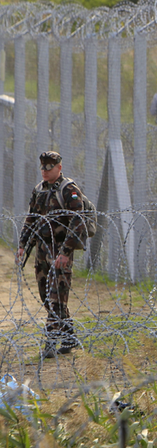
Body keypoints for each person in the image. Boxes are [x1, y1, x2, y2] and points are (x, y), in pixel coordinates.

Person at [16, 151, 87, 359]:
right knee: (46, 295)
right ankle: (69, 336)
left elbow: (77, 221)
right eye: (43, 167)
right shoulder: (39, 190)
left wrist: (66, 252)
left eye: (49, 167)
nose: (45, 171)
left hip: (59, 250)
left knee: (57, 295)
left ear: (59, 167)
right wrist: (22, 245)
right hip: (42, 249)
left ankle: (50, 339)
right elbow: (31, 218)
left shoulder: (68, 190)